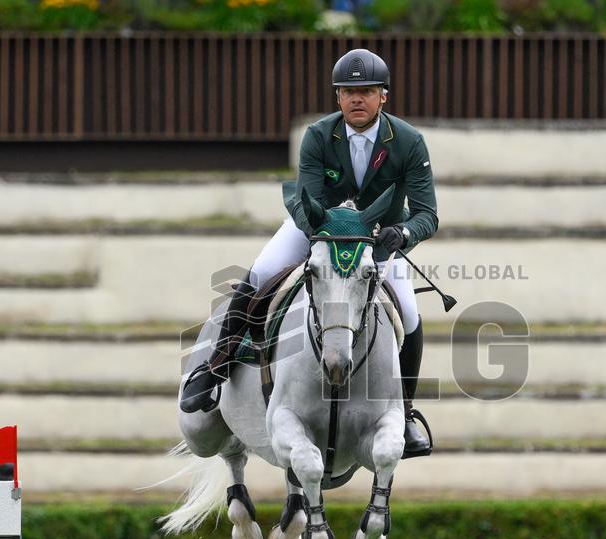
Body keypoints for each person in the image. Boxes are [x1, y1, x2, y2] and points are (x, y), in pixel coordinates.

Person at [181, 47, 437, 460]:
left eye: (367, 91)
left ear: (383, 96)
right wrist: (322, 232)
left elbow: (428, 215)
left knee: (408, 312)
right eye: (348, 91)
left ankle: (404, 413)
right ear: (337, 97)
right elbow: (304, 201)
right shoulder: (319, 135)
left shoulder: (408, 141)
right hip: (317, 231)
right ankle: (214, 371)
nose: (357, 99)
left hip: (374, 239)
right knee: (261, 271)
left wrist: (402, 233)